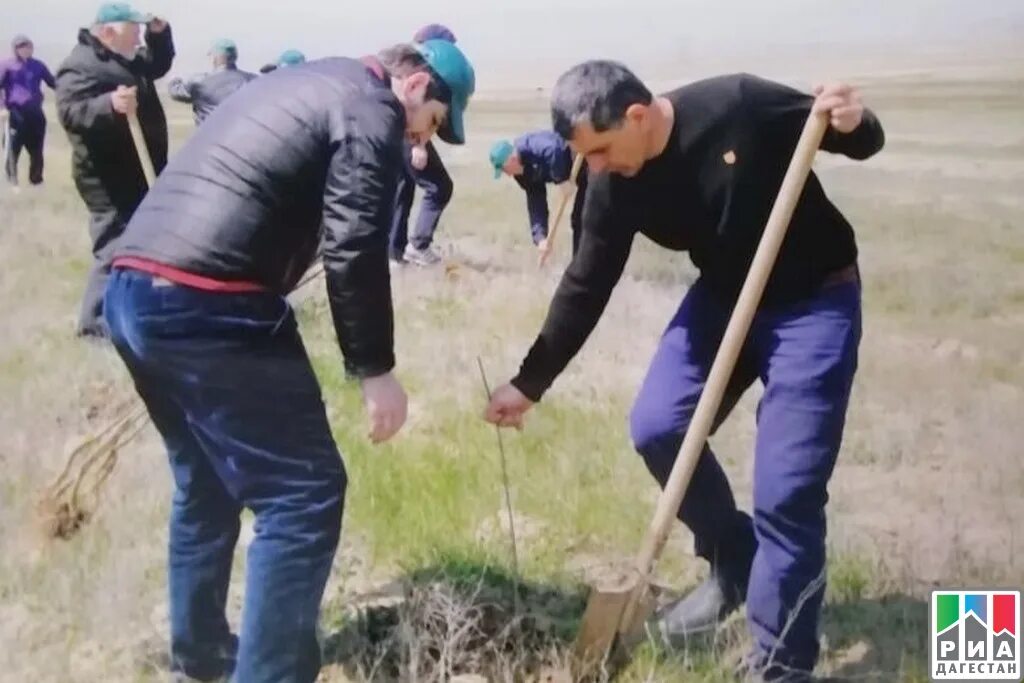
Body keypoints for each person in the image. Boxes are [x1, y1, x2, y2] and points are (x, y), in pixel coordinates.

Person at [484, 61, 884, 682]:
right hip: (725, 298)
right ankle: (735, 559)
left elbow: (855, 138)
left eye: (601, 149)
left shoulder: (741, 106)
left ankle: (780, 665)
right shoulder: (611, 180)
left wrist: (855, 122)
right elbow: (586, 282)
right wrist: (529, 382)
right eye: (582, 155)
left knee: (787, 492)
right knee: (657, 426)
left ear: (638, 117)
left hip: (812, 302)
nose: (595, 167)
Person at [104, 39, 474, 682]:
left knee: (208, 484)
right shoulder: (372, 108)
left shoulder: (307, 81)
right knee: (301, 494)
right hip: (209, 304)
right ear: (415, 85)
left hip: (133, 292)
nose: (424, 137)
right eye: (435, 120)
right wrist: (375, 369)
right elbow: (356, 243)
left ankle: (201, 655)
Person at [55, 2, 174, 338]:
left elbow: (158, 63)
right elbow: (71, 113)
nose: (137, 34)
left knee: (142, 240)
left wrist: (159, 36)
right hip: (107, 176)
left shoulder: (126, 58)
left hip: (140, 168)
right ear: (107, 31)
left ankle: (138, 309)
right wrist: (108, 105)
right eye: (132, 28)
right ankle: (93, 326)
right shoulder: (79, 65)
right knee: (113, 244)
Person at [387, 23, 457, 267]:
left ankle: (394, 253)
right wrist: (419, 144)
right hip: (410, 138)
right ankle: (417, 245)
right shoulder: (427, 76)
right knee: (440, 186)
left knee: (403, 188)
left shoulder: (410, 70)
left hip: (405, 135)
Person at [489, 130, 588, 255]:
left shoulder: (528, 145)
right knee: (579, 220)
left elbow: (553, 150)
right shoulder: (521, 175)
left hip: (583, 157)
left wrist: (561, 180)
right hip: (577, 173)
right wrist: (540, 238)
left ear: (510, 159)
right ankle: (579, 264)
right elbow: (536, 201)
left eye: (504, 169)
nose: (507, 174)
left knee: (584, 218)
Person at [0, 34, 56, 187]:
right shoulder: (6, 65)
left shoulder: (38, 65)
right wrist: (2, 107)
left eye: (28, 46)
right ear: (15, 49)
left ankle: (36, 180)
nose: (25, 49)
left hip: (35, 112)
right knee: (13, 147)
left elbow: (52, 82)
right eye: (21, 47)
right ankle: (12, 180)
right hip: (16, 113)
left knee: (37, 149)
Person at [167, 39, 255, 125]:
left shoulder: (199, 82)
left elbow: (175, 92)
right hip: (244, 136)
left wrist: (175, 78)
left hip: (208, 137)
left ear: (216, 58)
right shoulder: (253, 81)